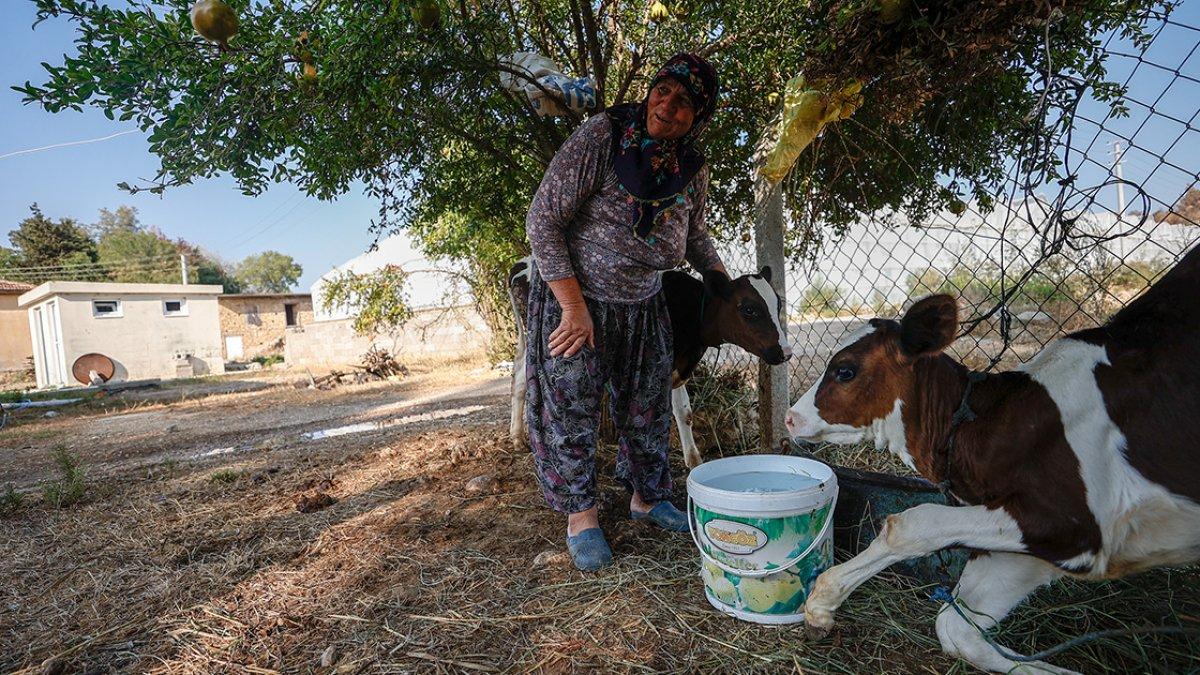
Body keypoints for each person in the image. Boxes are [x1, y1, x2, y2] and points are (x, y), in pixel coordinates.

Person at [523, 54, 727, 571]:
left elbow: (694, 233)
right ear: (651, 90)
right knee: (572, 408)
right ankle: (582, 517)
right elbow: (543, 221)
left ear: (698, 117)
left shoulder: (690, 168)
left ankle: (646, 497)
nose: (669, 105)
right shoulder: (604, 136)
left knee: (648, 406)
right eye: (664, 91)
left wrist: (721, 279)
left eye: (685, 103)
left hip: (644, 303)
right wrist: (572, 308)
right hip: (578, 301)